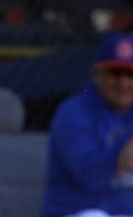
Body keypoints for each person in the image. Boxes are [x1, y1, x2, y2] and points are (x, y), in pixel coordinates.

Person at [43, 33, 133, 217]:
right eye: (115, 73)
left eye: (130, 74)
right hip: (75, 212)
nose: (123, 82)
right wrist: (124, 147)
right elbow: (90, 176)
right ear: (97, 74)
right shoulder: (74, 112)